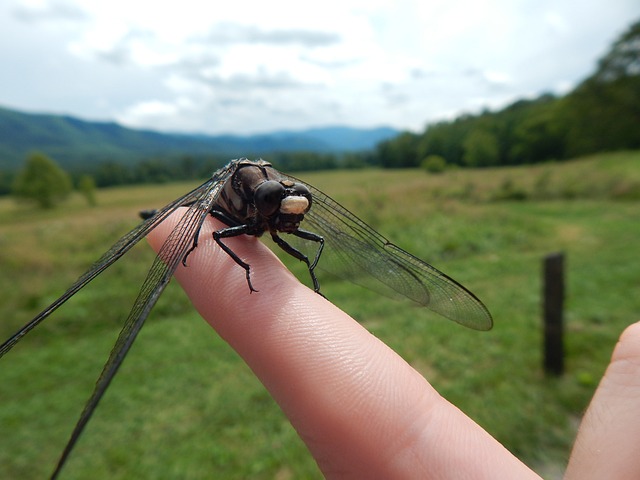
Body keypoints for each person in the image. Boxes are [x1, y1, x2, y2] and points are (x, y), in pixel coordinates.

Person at [148, 211, 640, 479]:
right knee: (202, 237)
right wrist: (245, 267)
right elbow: (221, 239)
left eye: (294, 203)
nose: (291, 214)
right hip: (219, 220)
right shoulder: (237, 204)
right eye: (280, 203)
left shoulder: (281, 209)